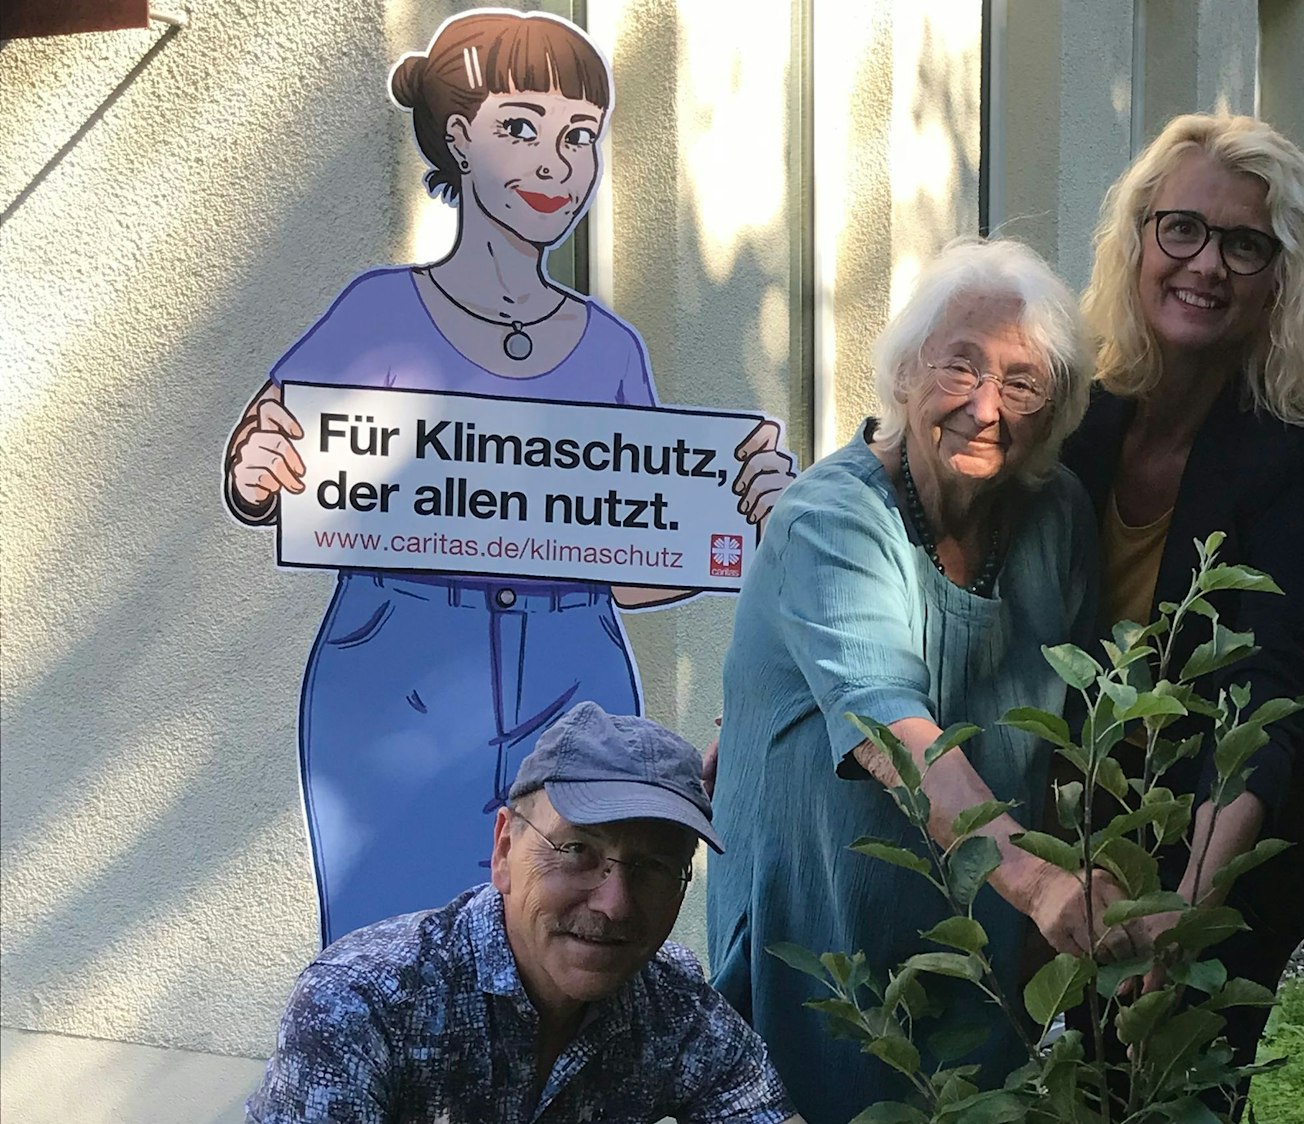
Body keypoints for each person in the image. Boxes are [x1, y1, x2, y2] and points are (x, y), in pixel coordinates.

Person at [219, 9, 792, 944]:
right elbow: (270, 461)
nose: (555, 163)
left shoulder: (611, 347)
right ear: (458, 139)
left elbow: (628, 557)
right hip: (395, 669)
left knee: (572, 956)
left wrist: (743, 520)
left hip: (576, 676)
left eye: (580, 136)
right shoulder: (377, 312)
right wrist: (254, 471)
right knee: (385, 963)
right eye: (520, 128)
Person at [706, 237, 1121, 1122]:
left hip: (975, 936)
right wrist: (1042, 884)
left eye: (1021, 382)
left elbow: (1068, 736)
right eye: (958, 366)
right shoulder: (831, 517)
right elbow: (892, 728)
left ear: (1053, 412)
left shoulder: (1057, 519)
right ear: (902, 377)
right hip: (820, 944)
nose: (984, 406)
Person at [1060, 112, 1304, 1107]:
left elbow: (1262, 684)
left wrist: (1185, 911)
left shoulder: (1286, 451)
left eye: (1246, 244)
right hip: (1093, 796)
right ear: (1139, 238)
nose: (1206, 264)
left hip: (1233, 816)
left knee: (1176, 1073)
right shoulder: (1075, 409)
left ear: (1279, 276)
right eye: (1183, 229)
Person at [247, 701, 802, 1124]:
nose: (614, 904)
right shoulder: (367, 1002)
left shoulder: (673, 1010)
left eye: (655, 867)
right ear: (505, 850)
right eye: (577, 851)